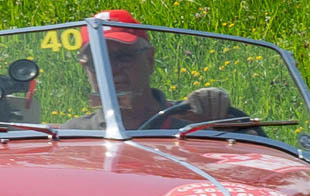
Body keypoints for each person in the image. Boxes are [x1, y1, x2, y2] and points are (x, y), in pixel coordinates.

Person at [68, 9, 237, 131]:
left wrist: (214, 106)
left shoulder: (193, 122)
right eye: (98, 62)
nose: (111, 70)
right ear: (85, 68)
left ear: (149, 59)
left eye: (123, 57)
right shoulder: (74, 135)